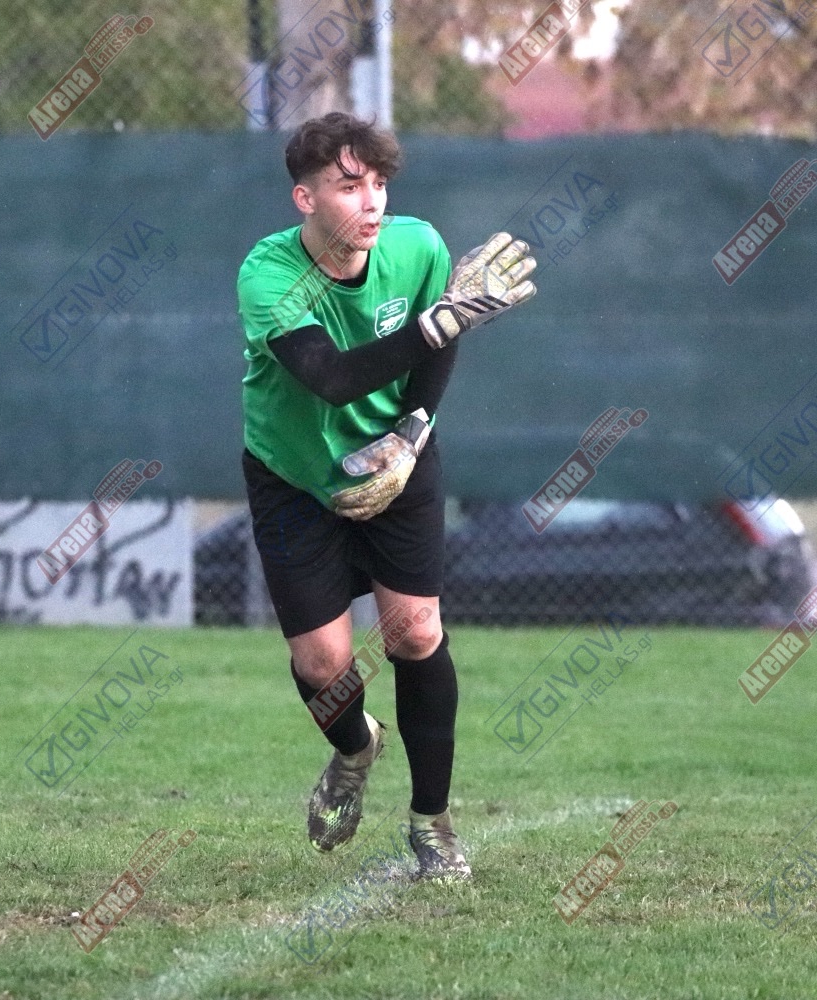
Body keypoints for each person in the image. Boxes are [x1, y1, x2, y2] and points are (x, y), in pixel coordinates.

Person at [235, 111, 536, 881]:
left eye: (378, 183)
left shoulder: (417, 246)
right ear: (305, 199)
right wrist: (437, 325)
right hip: (296, 476)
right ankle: (355, 749)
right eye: (348, 186)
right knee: (322, 663)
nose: (371, 201)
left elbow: (439, 348)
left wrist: (413, 430)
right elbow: (331, 377)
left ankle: (432, 824)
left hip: (400, 458)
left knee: (415, 631)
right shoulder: (268, 274)